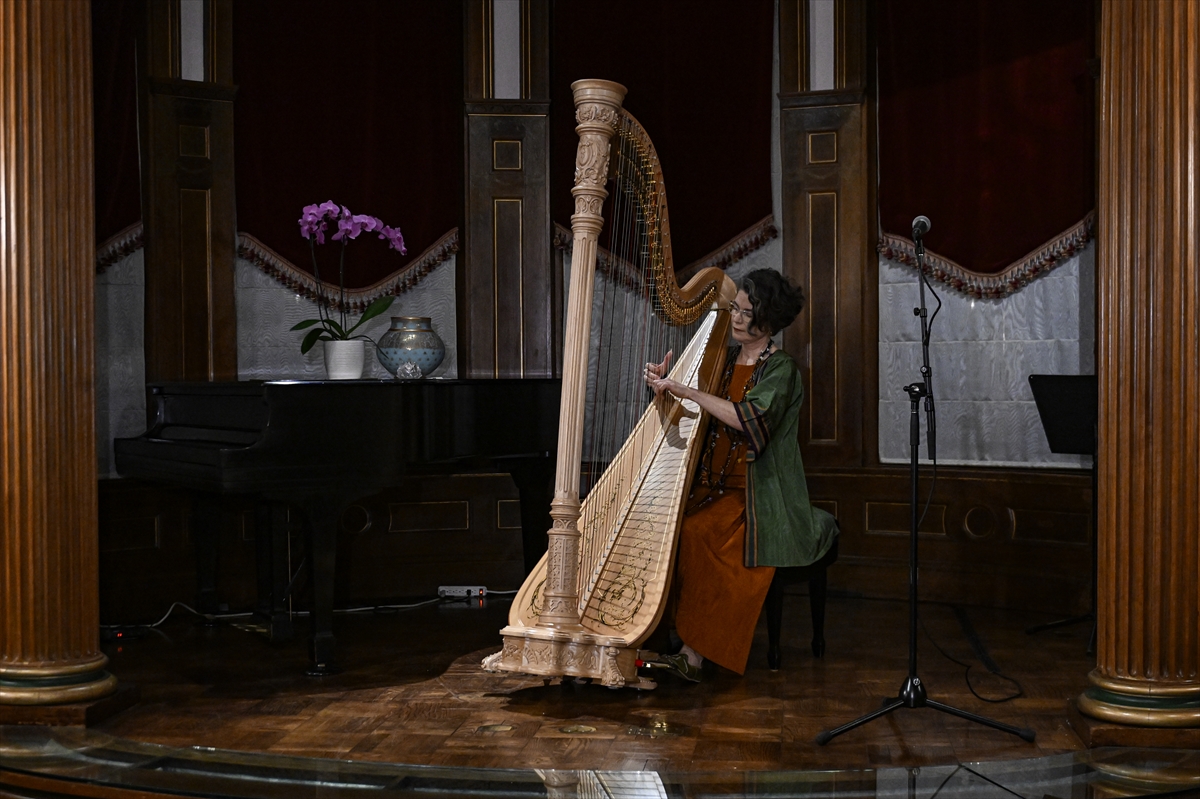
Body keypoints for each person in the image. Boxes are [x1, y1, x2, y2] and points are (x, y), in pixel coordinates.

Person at [643, 269, 837, 681]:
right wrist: (663, 388)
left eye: (746, 312)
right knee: (662, 528)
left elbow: (749, 423)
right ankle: (653, 640)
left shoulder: (781, 370)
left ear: (767, 321)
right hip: (710, 487)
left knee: (696, 534)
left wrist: (689, 391)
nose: (735, 317)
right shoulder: (723, 361)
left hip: (757, 498)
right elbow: (690, 418)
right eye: (735, 308)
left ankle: (694, 656)